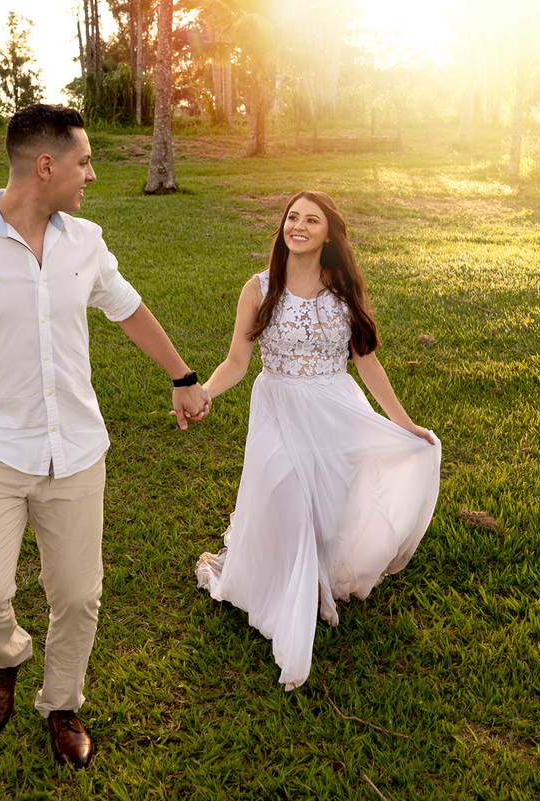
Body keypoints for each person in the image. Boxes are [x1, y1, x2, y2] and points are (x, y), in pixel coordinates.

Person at [0, 104, 210, 768]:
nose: (92, 174)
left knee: (80, 594)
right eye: (84, 162)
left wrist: (182, 374)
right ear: (46, 166)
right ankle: (2, 659)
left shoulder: (84, 242)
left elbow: (128, 307)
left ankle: (62, 703)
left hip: (77, 450)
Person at [195, 190, 441, 690]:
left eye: (312, 220)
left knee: (326, 516)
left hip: (335, 412)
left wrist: (403, 423)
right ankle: (289, 597)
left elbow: (366, 362)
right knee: (287, 503)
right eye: (292, 217)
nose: (299, 226)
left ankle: (315, 576)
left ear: (329, 234)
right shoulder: (259, 288)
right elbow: (237, 362)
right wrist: (204, 391)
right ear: (282, 227)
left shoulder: (343, 291)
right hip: (278, 409)